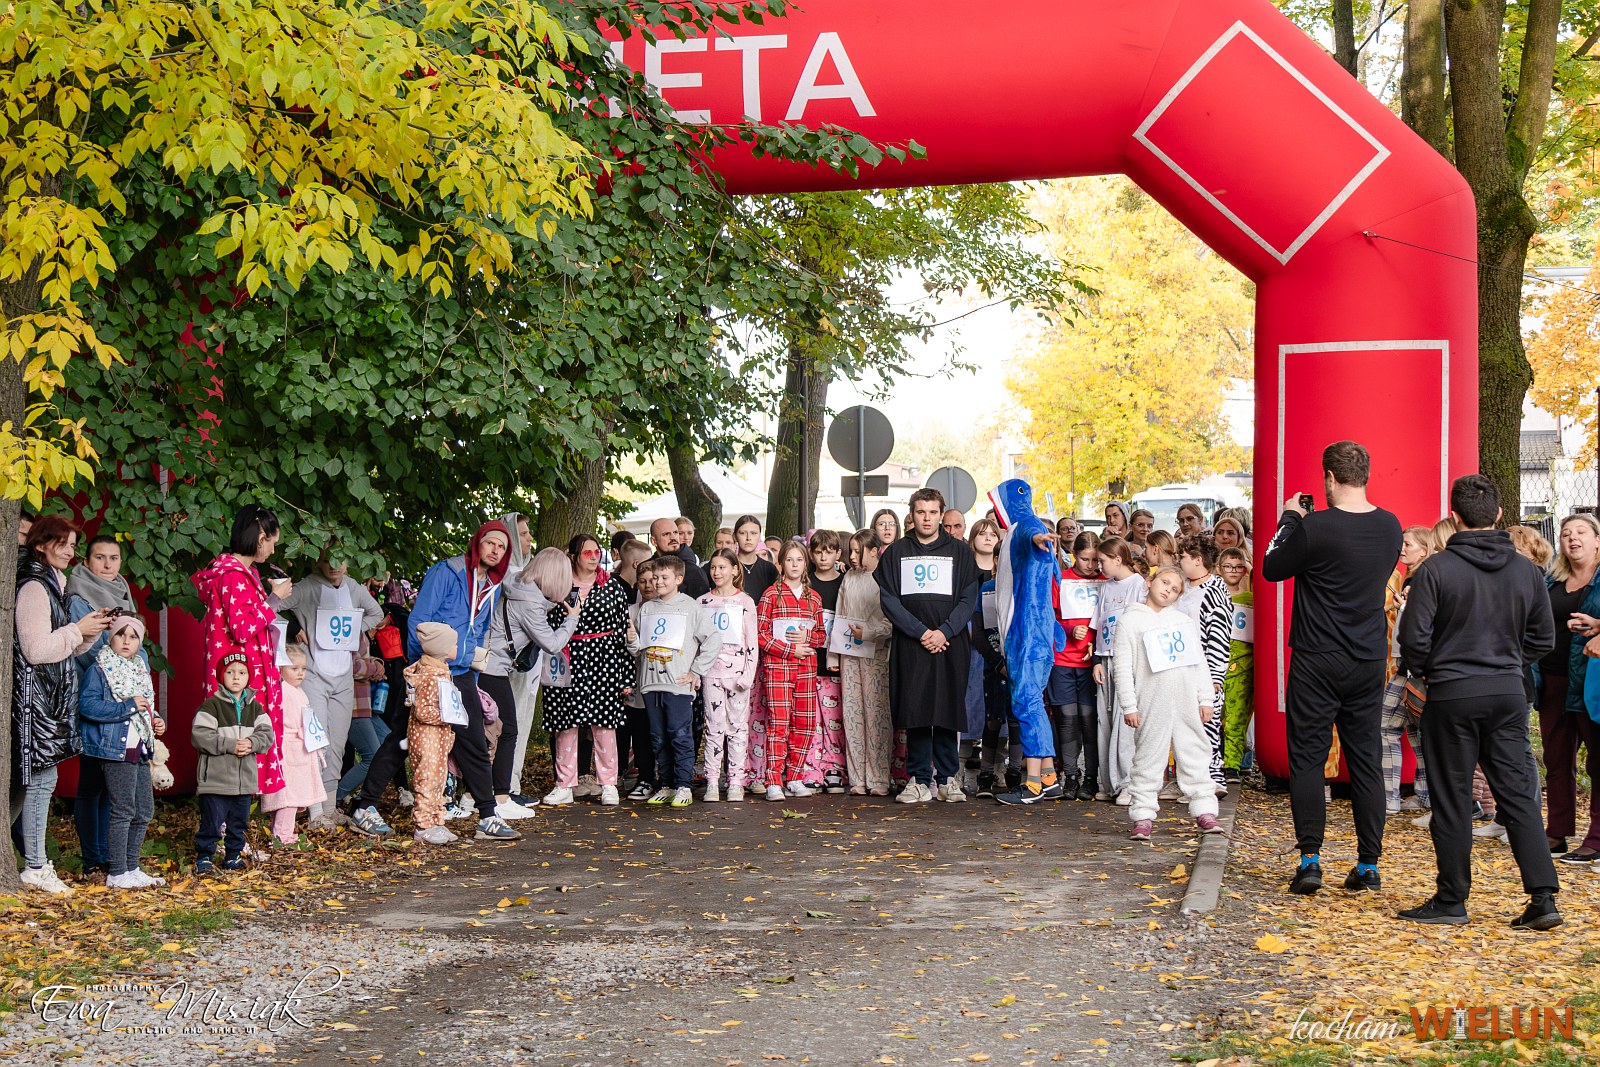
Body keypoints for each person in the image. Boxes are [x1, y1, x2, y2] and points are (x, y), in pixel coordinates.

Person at [1395, 474, 1560, 930]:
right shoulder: (1527, 571)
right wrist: (1506, 662)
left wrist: (1433, 670)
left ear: (1454, 517)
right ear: (1499, 514)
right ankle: (1543, 897)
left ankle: (1452, 899)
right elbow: (1543, 638)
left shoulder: (1437, 570)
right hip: (1507, 691)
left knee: (1452, 798)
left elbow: (1414, 640)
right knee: (1518, 795)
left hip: (1452, 693)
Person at [1261, 440, 1402, 895]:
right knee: (1366, 759)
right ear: (1365, 475)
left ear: (1330, 478)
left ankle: (1310, 860)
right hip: (1367, 657)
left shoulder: (1314, 526)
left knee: (1307, 757)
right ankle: (1368, 864)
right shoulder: (1390, 526)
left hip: (1317, 656)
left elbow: (1271, 567)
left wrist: (1290, 518)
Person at [403, 521, 521, 841]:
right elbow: (419, 620)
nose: (495, 550)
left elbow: (479, 631)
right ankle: (366, 804)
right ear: (477, 543)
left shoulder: (492, 586)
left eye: (502, 547)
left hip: (462, 674)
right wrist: (419, 668)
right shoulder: (448, 572)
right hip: (432, 671)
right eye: (490, 543)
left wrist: (474, 674)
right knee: (403, 741)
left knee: (474, 743)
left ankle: (488, 815)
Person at [16, 516, 110, 894]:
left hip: (50, 700)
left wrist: (89, 632)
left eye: (73, 545)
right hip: (33, 702)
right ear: (41, 545)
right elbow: (37, 650)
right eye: (63, 544)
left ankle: (35, 863)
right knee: (40, 781)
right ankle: (35, 866)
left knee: (36, 782)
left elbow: (65, 647)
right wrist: (76, 630)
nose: (71, 551)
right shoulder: (34, 587)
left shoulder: (57, 583)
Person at [877, 489, 982, 804]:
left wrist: (944, 631)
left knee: (948, 707)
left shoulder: (960, 552)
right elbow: (889, 600)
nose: (926, 518)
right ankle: (919, 779)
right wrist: (921, 632)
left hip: (950, 643)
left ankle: (948, 779)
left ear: (941, 514)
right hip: (912, 644)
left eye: (933, 512)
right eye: (921, 512)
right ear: (912, 514)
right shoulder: (896, 552)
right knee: (916, 708)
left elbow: (968, 598)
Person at [1116, 567, 1225, 842]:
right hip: (1151, 701)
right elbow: (1122, 666)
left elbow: (1198, 662)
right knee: (1148, 757)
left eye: (1175, 588)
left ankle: (1205, 808)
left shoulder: (1183, 621)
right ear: (1150, 582)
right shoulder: (1130, 621)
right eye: (1164, 582)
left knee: (1195, 752)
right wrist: (1129, 705)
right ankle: (1142, 814)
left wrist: (1205, 698)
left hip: (1186, 701)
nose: (1168, 589)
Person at [192, 505, 292, 801]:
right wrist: (274, 600)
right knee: (237, 742)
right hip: (240, 675)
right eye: (272, 542)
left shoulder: (243, 574)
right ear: (260, 538)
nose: (273, 550)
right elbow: (242, 628)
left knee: (241, 739)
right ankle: (227, 823)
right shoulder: (233, 576)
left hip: (244, 673)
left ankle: (233, 821)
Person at [280, 555, 383, 829]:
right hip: (314, 676)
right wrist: (293, 627)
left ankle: (329, 808)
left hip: (344, 679)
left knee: (337, 744)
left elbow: (376, 613)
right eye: (328, 560)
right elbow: (270, 606)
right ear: (319, 562)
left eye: (340, 560)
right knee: (317, 740)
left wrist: (355, 629)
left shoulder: (354, 588)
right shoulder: (307, 587)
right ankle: (315, 812)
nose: (334, 566)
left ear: (348, 561)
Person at [482, 545, 581, 812]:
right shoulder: (530, 603)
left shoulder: (518, 587)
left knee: (490, 731)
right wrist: (572, 619)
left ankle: (479, 795)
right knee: (508, 731)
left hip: (488, 664)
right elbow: (551, 643)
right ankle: (501, 798)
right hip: (493, 667)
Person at [987, 478, 1066, 807]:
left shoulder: (1024, 527)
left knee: (1027, 705)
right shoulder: (1017, 531)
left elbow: (1031, 535)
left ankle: (1032, 785)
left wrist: (1038, 538)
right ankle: (1048, 778)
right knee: (1034, 706)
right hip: (1035, 634)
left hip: (1028, 635)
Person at [66, 533, 139, 878]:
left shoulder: (122, 592)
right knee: (93, 782)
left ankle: (111, 857)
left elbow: (134, 645)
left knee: (113, 783)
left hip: (124, 702)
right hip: (93, 695)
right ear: (86, 561)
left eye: (114, 558)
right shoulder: (78, 597)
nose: (108, 565)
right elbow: (92, 651)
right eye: (100, 557)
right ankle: (93, 858)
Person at [77, 612, 166, 889]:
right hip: (114, 749)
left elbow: (144, 707)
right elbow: (87, 706)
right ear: (110, 637)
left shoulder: (139, 670)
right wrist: (126, 706)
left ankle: (131, 867)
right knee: (124, 809)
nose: (126, 641)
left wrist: (156, 720)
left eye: (133, 636)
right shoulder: (99, 669)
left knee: (144, 810)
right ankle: (117, 872)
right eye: (120, 634)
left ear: (141, 642)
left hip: (140, 747)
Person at [543, 534, 632, 808]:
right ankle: (564, 784)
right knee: (565, 724)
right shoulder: (558, 585)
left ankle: (608, 783)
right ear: (573, 556)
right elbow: (545, 622)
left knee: (604, 725)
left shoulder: (611, 586)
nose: (594, 557)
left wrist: (626, 675)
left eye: (597, 552)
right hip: (566, 658)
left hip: (604, 661)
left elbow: (623, 629)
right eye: (587, 553)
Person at [626, 555, 721, 807]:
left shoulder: (690, 607)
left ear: (678, 579)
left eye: (664, 577)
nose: (657, 582)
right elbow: (638, 649)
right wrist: (631, 639)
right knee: (657, 738)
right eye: (655, 577)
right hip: (650, 684)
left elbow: (713, 639)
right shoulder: (647, 608)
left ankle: (683, 785)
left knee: (679, 735)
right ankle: (666, 784)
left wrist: (695, 671)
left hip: (677, 685)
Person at [1538, 513, 1600, 862]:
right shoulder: (1551, 580)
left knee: (1597, 760)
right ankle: (1557, 832)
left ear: (1597, 540)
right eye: (1566, 533)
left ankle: (1597, 838)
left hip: (1591, 681)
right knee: (1557, 759)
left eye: (1581, 532)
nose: (1572, 538)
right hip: (1553, 679)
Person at [191, 650, 276, 874]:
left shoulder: (255, 708)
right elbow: (200, 736)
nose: (236, 677)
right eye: (230, 672)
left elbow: (267, 734)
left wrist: (252, 743)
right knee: (211, 822)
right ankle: (204, 857)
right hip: (215, 780)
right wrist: (230, 745)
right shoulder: (212, 706)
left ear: (249, 677)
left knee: (238, 823)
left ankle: (233, 856)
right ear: (221, 676)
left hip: (244, 781)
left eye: (242, 672)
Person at [755, 540, 827, 801]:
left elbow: (821, 635)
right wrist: (789, 650)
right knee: (779, 723)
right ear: (781, 563)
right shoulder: (770, 595)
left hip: (806, 669)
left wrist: (808, 638)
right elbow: (760, 634)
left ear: (805, 563)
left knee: (805, 723)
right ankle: (774, 781)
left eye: (799, 560)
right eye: (789, 560)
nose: (794, 565)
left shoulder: (813, 597)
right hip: (778, 668)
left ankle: (795, 777)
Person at [1381, 525, 1440, 818]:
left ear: (1425, 550)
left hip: (1411, 668)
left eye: (1408, 545)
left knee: (1385, 726)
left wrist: (1404, 609)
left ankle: (1389, 798)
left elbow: (1422, 626)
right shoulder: (1413, 578)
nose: (1402, 549)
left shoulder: (1420, 580)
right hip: (1411, 666)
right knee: (1418, 731)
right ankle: (1424, 794)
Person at [1090, 536, 1147, 803]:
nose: (1099, 566)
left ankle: (1128, 783)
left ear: (1117, 559)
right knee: (1105, 720)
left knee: (1125, 723)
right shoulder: (1105, 587)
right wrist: (1096, 661)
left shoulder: (1138, 585)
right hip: (1105, 658)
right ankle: (1109, 781)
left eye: (1102, 560)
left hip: (1128, 659)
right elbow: (1098, 624)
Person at [836, 531, 894, 796]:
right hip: (849, 653)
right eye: (851, 550)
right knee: (852, 713)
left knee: (877, 714)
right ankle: (857, 777)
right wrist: (833, 653)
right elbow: (840, 613)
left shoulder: (885, 577)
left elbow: (891, 621)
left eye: (858, 551)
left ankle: (879, 776)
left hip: (877, 654)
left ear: (874, 550)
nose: (852, 556)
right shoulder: (849, 577)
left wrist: (868, 633)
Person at [1047, 532, 1103, 802]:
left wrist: (1094, 642)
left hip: (1092, 663)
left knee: (1089, 719)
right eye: (1084, 559)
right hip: (1063, 659)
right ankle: (1070, 775)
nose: (1090, 566)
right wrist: (1069, 629)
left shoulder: (1105, 582)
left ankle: (1091, 777)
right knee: (1067, 719)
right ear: (1074, 556)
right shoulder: (1062, 580)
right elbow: (1050, 618)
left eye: (1094, 560)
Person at [700, 549, 759, 802]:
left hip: (737, 676)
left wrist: (747, 675)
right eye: (713, 567)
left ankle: (736, 780)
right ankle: (712, 780)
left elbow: (752, 642)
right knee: (714, 728)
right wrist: (697, 672)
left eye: (722, 567)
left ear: (735, 570)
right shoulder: (702, 602)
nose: (717, 572)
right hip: (711, 674)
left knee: (737, 728)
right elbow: (696, 641)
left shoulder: (745, 602)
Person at [1176, 533, 1231, 791]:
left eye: (1183, 557)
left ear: (1198, 560)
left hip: (1204, 672)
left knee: (1207, 725)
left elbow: (1219, 636)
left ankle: (1212, 778)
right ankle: (1191, 779)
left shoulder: (1214, 591)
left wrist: (1215, 677)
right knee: (1187, 728)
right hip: (1182, 668)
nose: (1179, 561)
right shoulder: (1186, 588)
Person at [260, 645, 326, 847]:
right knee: (288, 796)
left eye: (303, 669)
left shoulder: (297, 691)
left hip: (298, 746)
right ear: (281, 669)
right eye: (294, 668)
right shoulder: (284, 691)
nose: (300, 673)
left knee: (292, 796)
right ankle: (282, 835)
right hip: (289, 748)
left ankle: (282, 833)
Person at [406, 623, 464, 845]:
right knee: (427, 780)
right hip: (428, 738)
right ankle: (423, 826)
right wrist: (448, 716)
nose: (457, 647)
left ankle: (436, 820)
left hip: (438, 738)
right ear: (442, 648)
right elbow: (423, 712)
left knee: (439, 780)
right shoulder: (431, 676)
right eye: (454, 644)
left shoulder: (441, 672)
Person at [804, 530, 847, 791]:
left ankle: (834, 768)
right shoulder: (805, 583)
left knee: (834, 719)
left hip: (835, 662)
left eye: (829, 552)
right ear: (811, 554)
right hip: (809, 659)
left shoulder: (845, 582)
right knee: (811, 718)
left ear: (837, 554)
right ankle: (811, 768)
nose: (823, 557)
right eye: (818, 552)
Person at [1217, 547, 1254, 782]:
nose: (1233, 571)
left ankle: (1232, 765)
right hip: (1216, 665)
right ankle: (1214, 761)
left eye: (1238, 566)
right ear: (1219, 569)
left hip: (1243, 667)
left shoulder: (1251, 599)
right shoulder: (1213, 596)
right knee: (1213, 716)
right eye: (1228, 566)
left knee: (1236, 717)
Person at [650, 517, 710, 599]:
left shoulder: (693, 571)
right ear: (653, 541)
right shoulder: (647, 566)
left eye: (675, 532)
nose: (673, 537)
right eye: (666, 534)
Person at [732, 515, 780, 604]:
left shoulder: (769, 569)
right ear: (735, 536)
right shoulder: (726, 567)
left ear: (759, 536)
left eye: (753, 533)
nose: (748, 538)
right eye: (742, 533)